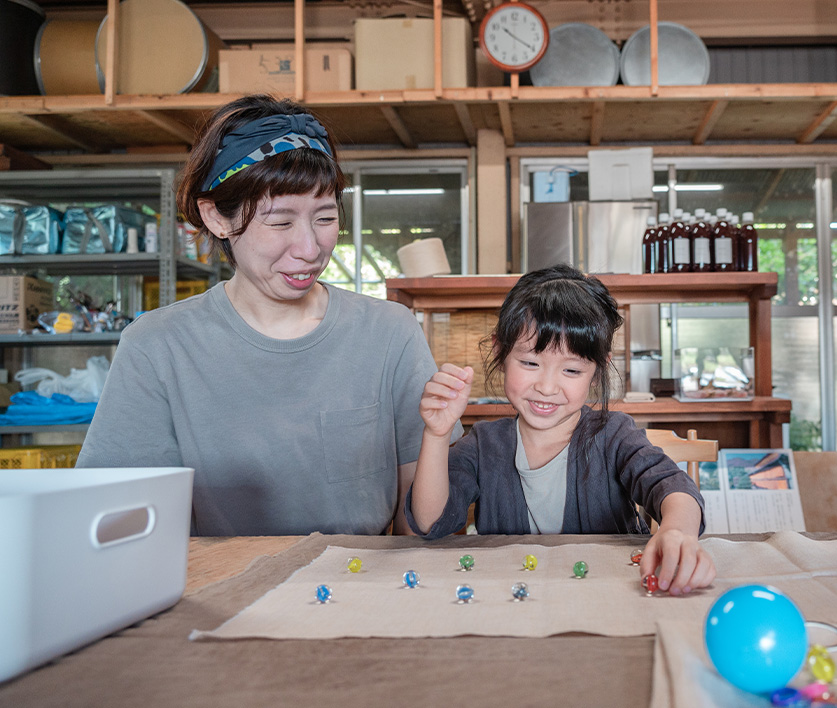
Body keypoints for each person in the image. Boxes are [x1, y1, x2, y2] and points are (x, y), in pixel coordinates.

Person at [77, 94, 456, 536]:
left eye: (326, 218)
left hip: (357, 590)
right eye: (279, 222)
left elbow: (420, 522)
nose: (310, 250)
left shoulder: (389, 332)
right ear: (216, 216)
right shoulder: (158, 346)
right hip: (219, 596)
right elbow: (119, 521)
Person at [406, 265, 716, 595]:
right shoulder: (484, 443)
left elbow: (669, 484)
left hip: (607, 595)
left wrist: (677, 532)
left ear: (596, 373)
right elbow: (430, 522)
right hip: (512, 600)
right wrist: (437, 435)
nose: (547, 386)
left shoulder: (612, 434)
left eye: (571, 369)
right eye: (530, 363)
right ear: (501, 352)